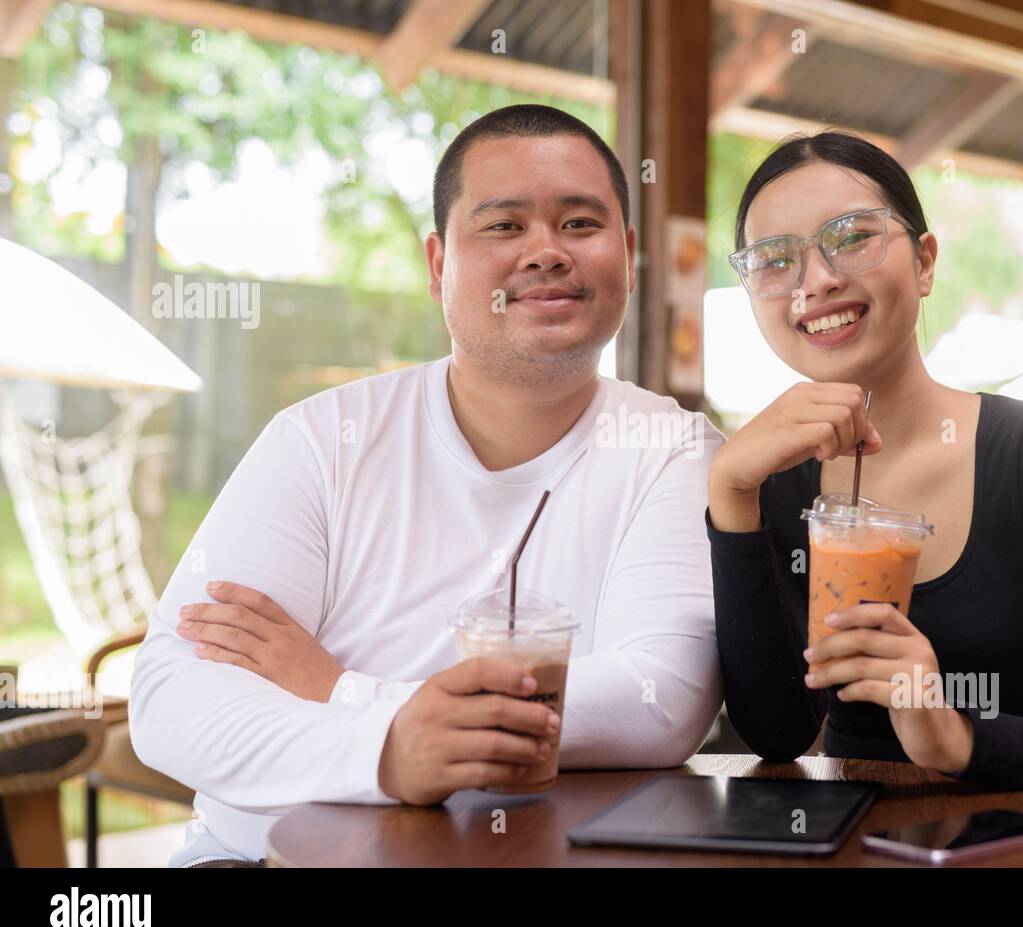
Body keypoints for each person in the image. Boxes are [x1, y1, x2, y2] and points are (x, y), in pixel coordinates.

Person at [130, 105, 724, 867]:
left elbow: (658, 699)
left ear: (629, 255)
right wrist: (387, 752)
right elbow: (171, 698)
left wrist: (345, 690)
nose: (546, 252)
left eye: (579, 224)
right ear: (440, 264)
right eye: (504, 226)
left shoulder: (673, 449)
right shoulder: (320, 439)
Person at [705, 130, 1023, 811]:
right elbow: (777, 733)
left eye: (852, 236)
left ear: (923, 262)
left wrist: (957, 736)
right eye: (775, 258)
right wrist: (730, 495)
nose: (817, 279)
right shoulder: (773, 478)